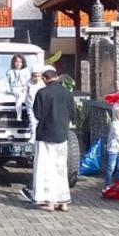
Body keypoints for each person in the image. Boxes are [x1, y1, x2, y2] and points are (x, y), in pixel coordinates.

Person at [26, 66, 76, 211]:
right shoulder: (67, 93)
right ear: (57, 76)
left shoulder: (42, 93)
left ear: (44, 78)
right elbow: (73, 113)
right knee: (60, 167)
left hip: (45, 134)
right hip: (62, 134)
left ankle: (49, 202)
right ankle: (64, 202)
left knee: (45, 168)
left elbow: (37, 114)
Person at [6, 54, 30, 121]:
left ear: (23, 63)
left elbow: (28, 82)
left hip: (23, 89)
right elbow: (7, 82)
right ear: (13, 62)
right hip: (14, 89)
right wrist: (8, 90)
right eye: (16, 61)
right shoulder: (10, 72)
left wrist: (25, 88)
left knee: (21, 100)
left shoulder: (26, 72)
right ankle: (19, 116)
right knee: (18, 100)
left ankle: (23, 115)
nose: (18, 63)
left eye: (20, 62)